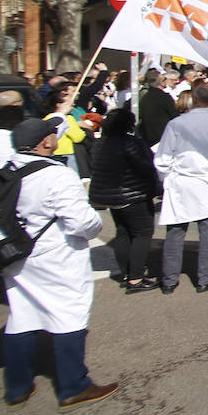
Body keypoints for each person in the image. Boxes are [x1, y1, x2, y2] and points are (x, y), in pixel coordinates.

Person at [0, 118, 120, 410]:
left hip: (14, 254)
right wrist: (94, 224)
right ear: (45, 143)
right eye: (52, 135)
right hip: (56, 256)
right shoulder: (57, 175)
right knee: (69, 315)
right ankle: (74, 386)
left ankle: (17, 387)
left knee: (22, 315)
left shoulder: (3, 169)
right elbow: (82, 223)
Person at [155, 83, 208, 294]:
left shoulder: (177, 124)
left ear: (195, 99)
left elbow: (163, 157)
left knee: (175, 232)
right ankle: (205, 278)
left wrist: (166, 178)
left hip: (182, 180)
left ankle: (169, 280)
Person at [87, 109, 162, 292]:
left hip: (109, 197)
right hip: (133, 195)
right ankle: (136, 278)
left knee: (122, 232)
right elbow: (145, 168)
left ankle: (127, 274)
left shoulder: (100, 144)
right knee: (142, 233)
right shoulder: (132, 143)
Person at [137, 69, 178, 145]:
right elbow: (175, 116)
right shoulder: (164, 97)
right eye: (164, 79)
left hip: (148, 138)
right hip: (163, 138)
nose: (166, 81)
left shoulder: (145, 97)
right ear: (161, 83)